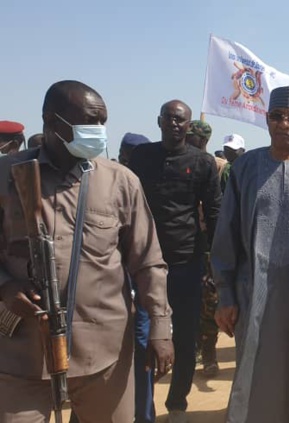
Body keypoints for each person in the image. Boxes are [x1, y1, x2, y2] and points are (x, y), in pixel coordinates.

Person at [0, 80, 173, 422]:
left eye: (102, 122)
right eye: (89, 123)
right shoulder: (6, 176)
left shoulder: (120, 181)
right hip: (21, 353)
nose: (98, 131)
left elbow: (148, 261)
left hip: (103, 350)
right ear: (52, 122)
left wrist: (160, 327)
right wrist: (5, 286)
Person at [211, 85, 289, 423]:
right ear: (267, 121)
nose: (284, 124)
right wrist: (225, 293)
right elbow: (226, 234)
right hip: (252, 290)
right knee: (253, 370)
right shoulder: (245, 168)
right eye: (276, 117)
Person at [128, 100, 221, 423]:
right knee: (143, 339)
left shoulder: (202, 163)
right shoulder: (140, 158)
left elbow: (213, 213)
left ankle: (177, 403)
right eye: (169, 118)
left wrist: (214, 264)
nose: (175, 124)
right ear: (159, 121)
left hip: (186, 263)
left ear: (189, 124)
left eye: (181, 120)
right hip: (142, 265)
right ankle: (144, 410)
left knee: (184, 337)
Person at [117, 130, 160, 423]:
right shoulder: (106, 181)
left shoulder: (153, 186)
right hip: (110, 283)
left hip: (142, 279)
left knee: (143, 348)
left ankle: (144, 415)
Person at [182, 119, 227, 379]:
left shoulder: (220, 168)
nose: (188, 142)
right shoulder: (176, 162)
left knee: (209, 299)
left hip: (210, 244)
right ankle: (194, 346)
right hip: (182, 244)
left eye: (192, 138)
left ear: (203, 140)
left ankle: (209, 351)